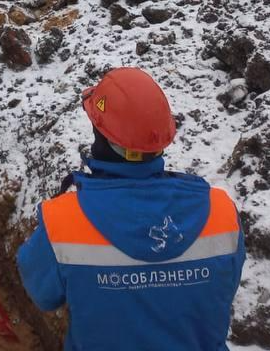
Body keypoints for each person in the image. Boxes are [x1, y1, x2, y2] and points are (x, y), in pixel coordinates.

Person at [16, 67, 245, 351]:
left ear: (99, 133)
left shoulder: (63, 222)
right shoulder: (221, 213)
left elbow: (42, 294)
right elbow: (223, 288)